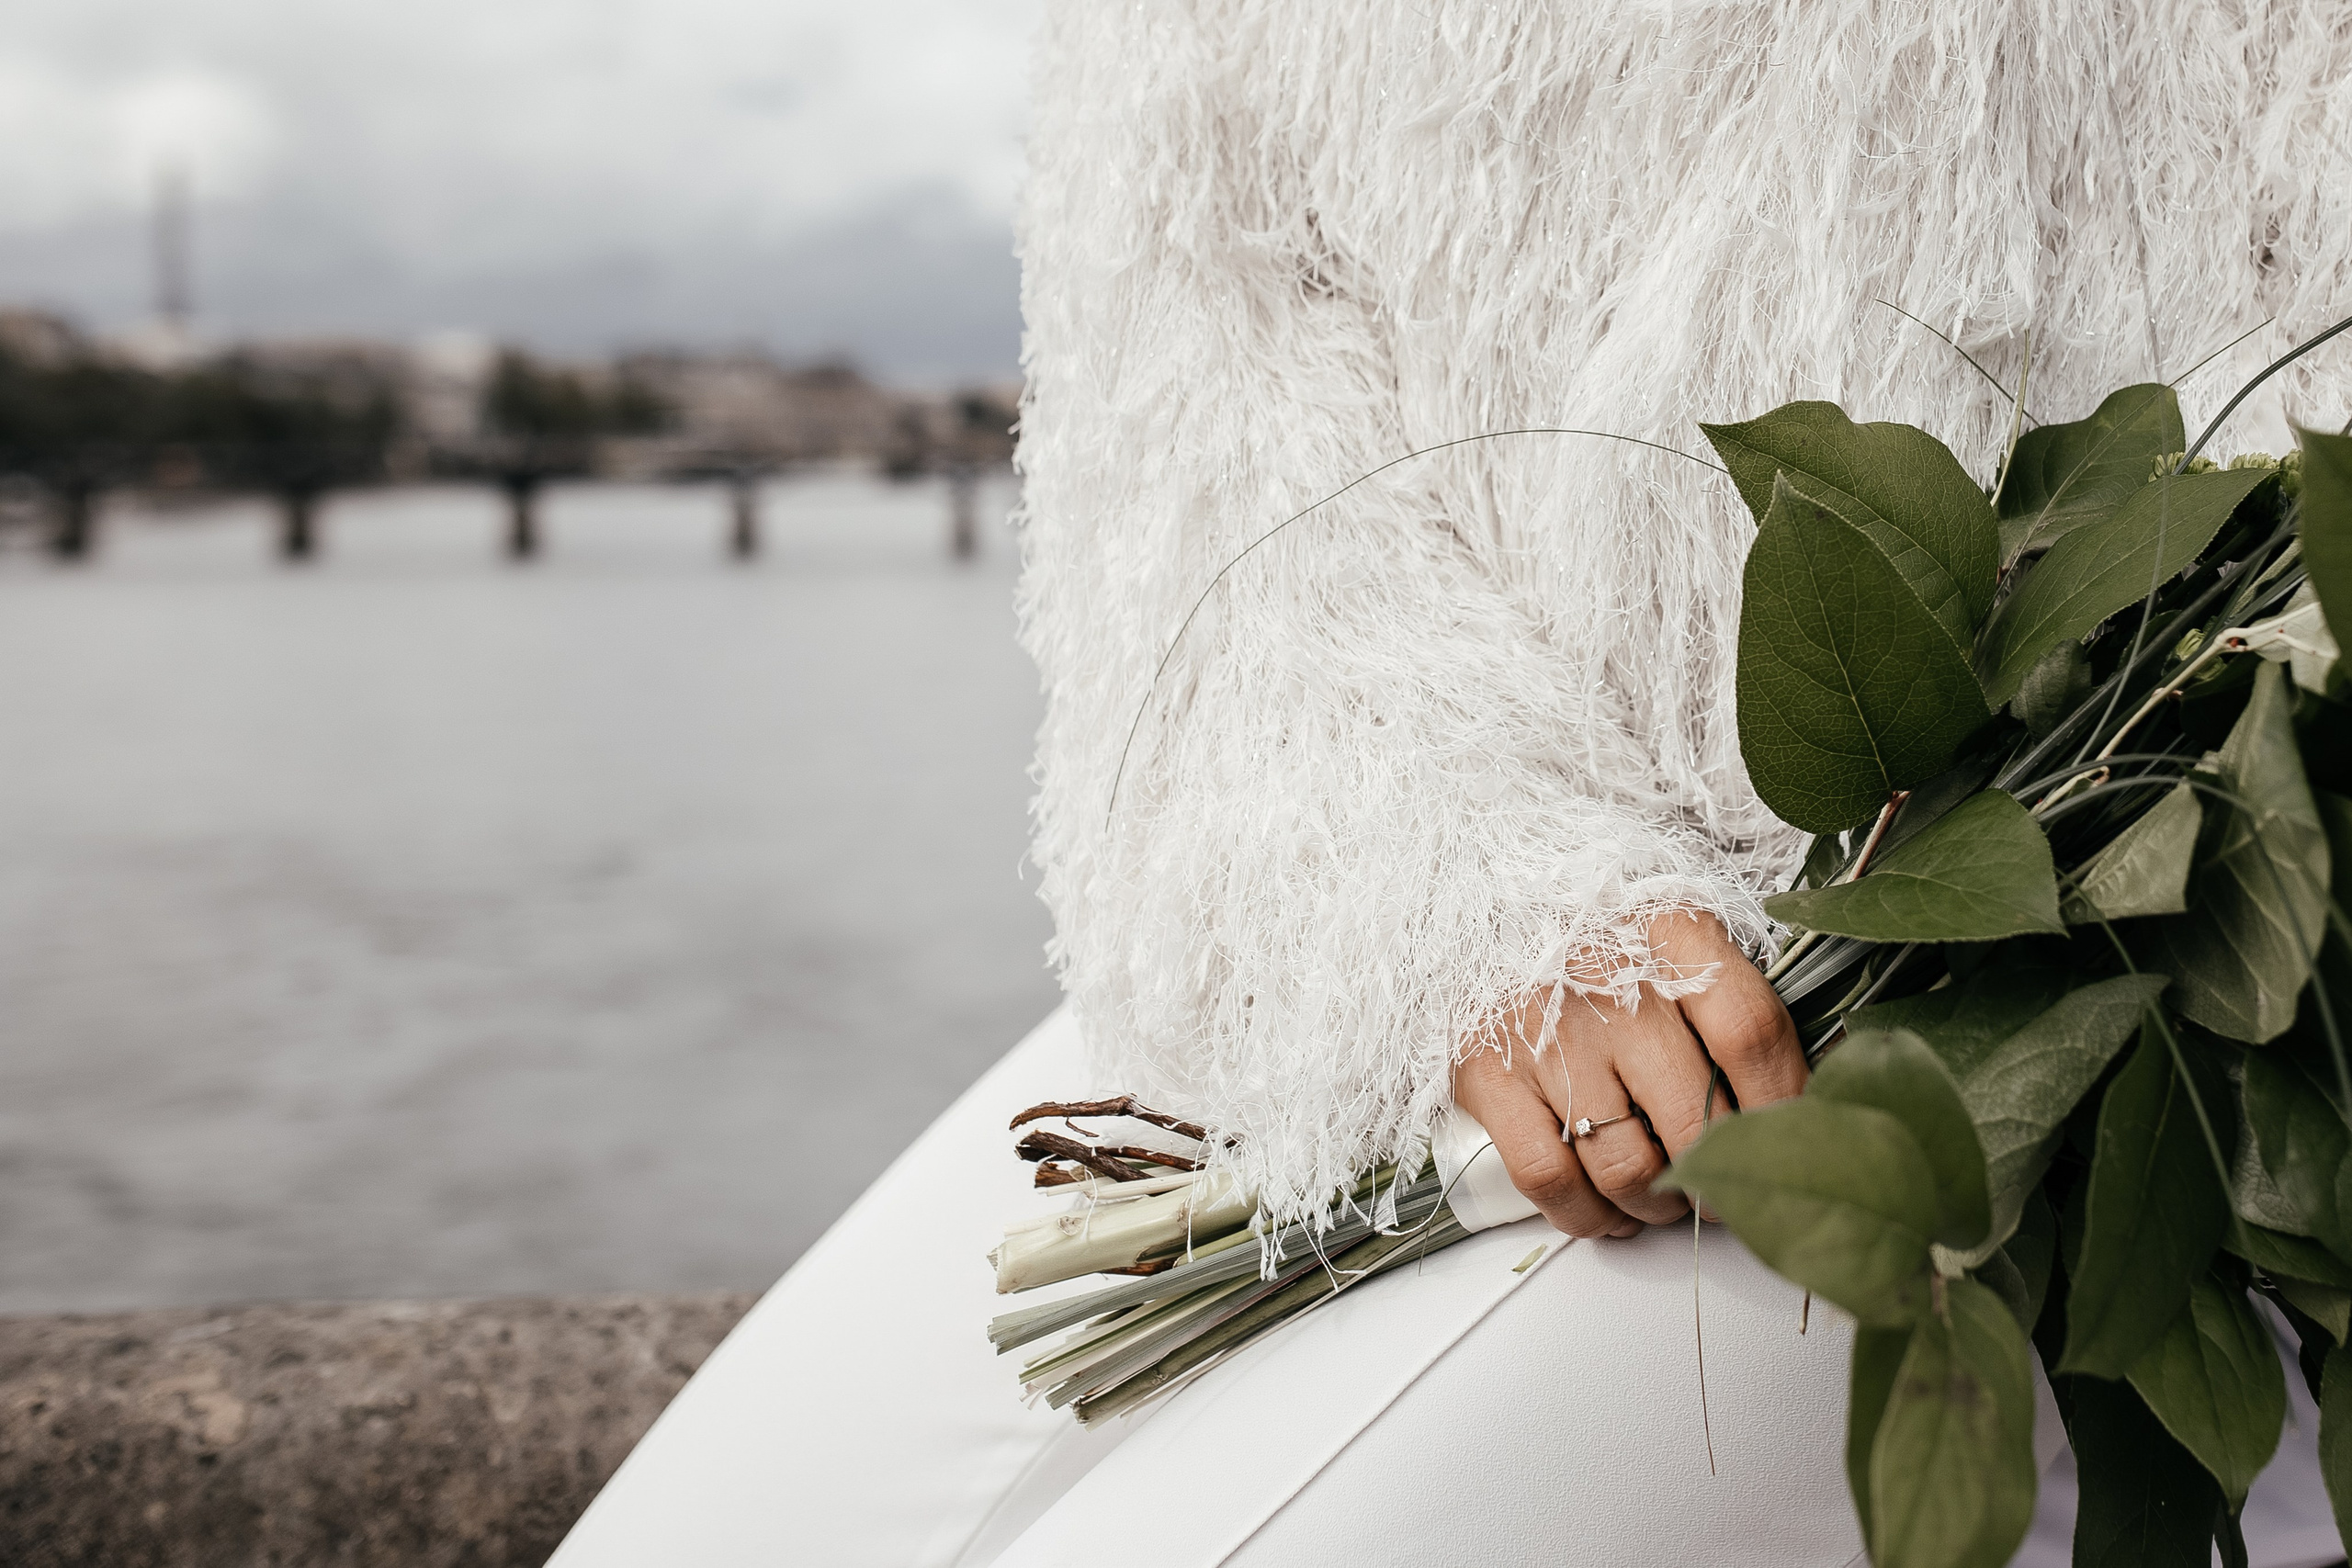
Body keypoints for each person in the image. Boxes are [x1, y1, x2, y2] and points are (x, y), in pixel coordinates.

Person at [549, 3, 2352, 1564]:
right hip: (1391, 904)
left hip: (2020, 1015)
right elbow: (1192, 387)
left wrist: (2044, 841)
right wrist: (1474, 916)